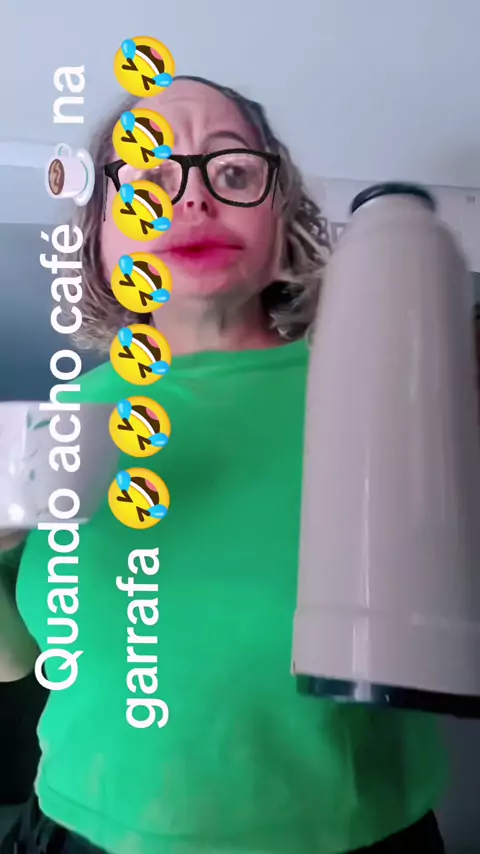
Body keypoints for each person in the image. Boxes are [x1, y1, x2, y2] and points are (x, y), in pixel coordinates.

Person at [0, 75, 447, 853]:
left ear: (283, 223)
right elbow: (16, 657)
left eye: (233, 170)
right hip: (79, 829)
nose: (192, 199)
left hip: (346, 838)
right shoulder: (66, 416)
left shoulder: (379, 395)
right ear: (100, 236)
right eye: (149, 178)